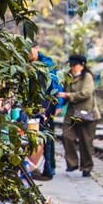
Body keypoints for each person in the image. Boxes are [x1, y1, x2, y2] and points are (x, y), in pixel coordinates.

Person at [57, 54, 100, 177]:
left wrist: (68, 95)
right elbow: (63, 92)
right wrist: (59, 104)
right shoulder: (68, 77)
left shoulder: (87, 77)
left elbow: (86, 93)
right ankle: (72, 163)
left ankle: (86, 167)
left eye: (74, 65)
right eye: (70, 65)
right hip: (72, 114)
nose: (72, 67)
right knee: (66, 136)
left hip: (87, 114)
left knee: (86, 142)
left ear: (82, 66)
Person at [29, 44, 62, 179]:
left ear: (36, 48)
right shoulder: (23, 64)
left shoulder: (47, 64)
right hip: (29, 106)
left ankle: (50, 167)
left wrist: (59, 104)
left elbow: (56, 83)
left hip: (47, 106)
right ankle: (31, 166)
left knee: (48, 137)